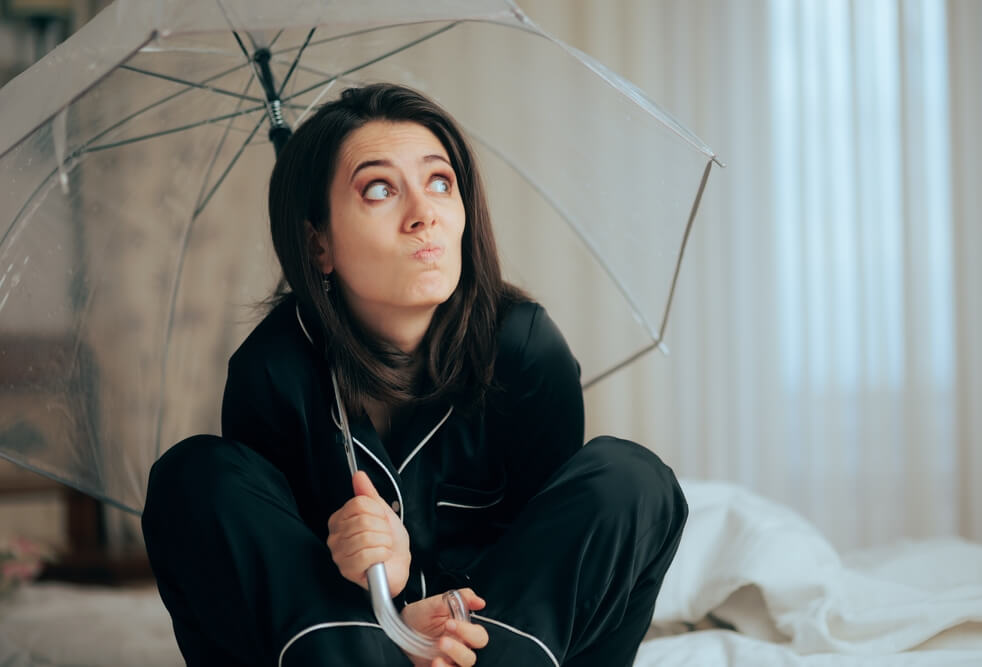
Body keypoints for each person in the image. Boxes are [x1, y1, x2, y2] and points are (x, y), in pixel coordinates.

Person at [142, 83, 687, 667]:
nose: (424, 214)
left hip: (494, 640)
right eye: (379, 189)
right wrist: (390, 609)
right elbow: (277, 575)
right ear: (318, 243)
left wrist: (435, 612)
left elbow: (546, 560)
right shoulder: (274, 372)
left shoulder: (525, 349)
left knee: (634, 479)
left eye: (440, 182)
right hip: (350, 645)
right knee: (193, 476)